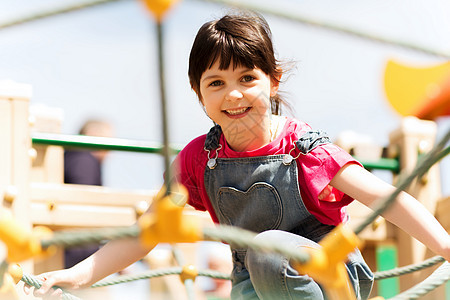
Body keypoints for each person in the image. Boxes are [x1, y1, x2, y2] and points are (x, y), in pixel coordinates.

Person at [25, 11, 449, 300]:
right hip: (254, 283)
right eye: (216, 83)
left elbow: (389, 200)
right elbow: (146, 233)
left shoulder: (304, 150)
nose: (233, 94)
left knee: (267, 249)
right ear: (199, 95)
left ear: (274, 81)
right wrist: (77, 274)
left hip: (330, 276)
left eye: (248, 77)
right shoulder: (198, 161)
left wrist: (446, 248)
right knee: (257, 261)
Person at [63, 120, 113, 269]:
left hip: (69, 248)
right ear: (93, 135)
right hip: (77, 253)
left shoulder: (71, 157)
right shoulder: (84, 160)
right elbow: (87, 202)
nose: (110, 152)